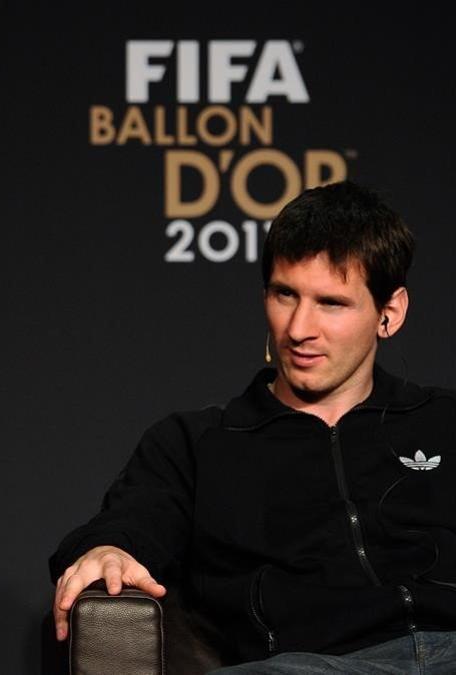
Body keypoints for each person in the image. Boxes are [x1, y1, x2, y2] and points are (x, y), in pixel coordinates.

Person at [50, 181, 456, 673]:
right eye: (285, 295)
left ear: (389, 313)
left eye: (331, 303)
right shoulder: (199, 443)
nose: (300, 328)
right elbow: (127, 525)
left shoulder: (442, 420)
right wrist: (107, 550)